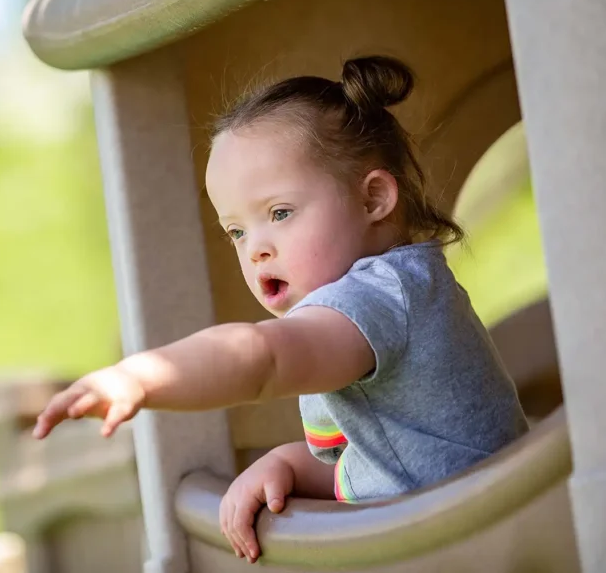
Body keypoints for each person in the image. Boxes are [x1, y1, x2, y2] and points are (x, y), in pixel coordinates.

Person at [32, 56, 528, 563]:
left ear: (374, 198)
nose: (256, 250)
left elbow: (261, 359)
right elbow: (400, 462)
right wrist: (291, 464)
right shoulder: (377, 305)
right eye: (237, 231)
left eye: (280, 213)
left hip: (490, 538)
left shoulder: (381, 295)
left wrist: (141, 378)